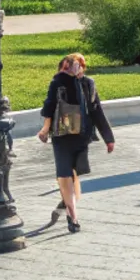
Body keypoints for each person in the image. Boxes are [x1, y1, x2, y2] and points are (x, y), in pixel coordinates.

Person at [36, 53, 113, 233]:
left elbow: (97, 111)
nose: (71, 69)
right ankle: (73, 216)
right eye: (67, 66)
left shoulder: (88, 84)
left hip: (82, 137)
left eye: (75, 65)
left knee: (76, 172)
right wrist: (45, 129)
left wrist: (109, 138)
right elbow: (48, 107)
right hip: (62, 137)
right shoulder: (58, 83)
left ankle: (67, 200)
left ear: (82, 67)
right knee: (64, 173)